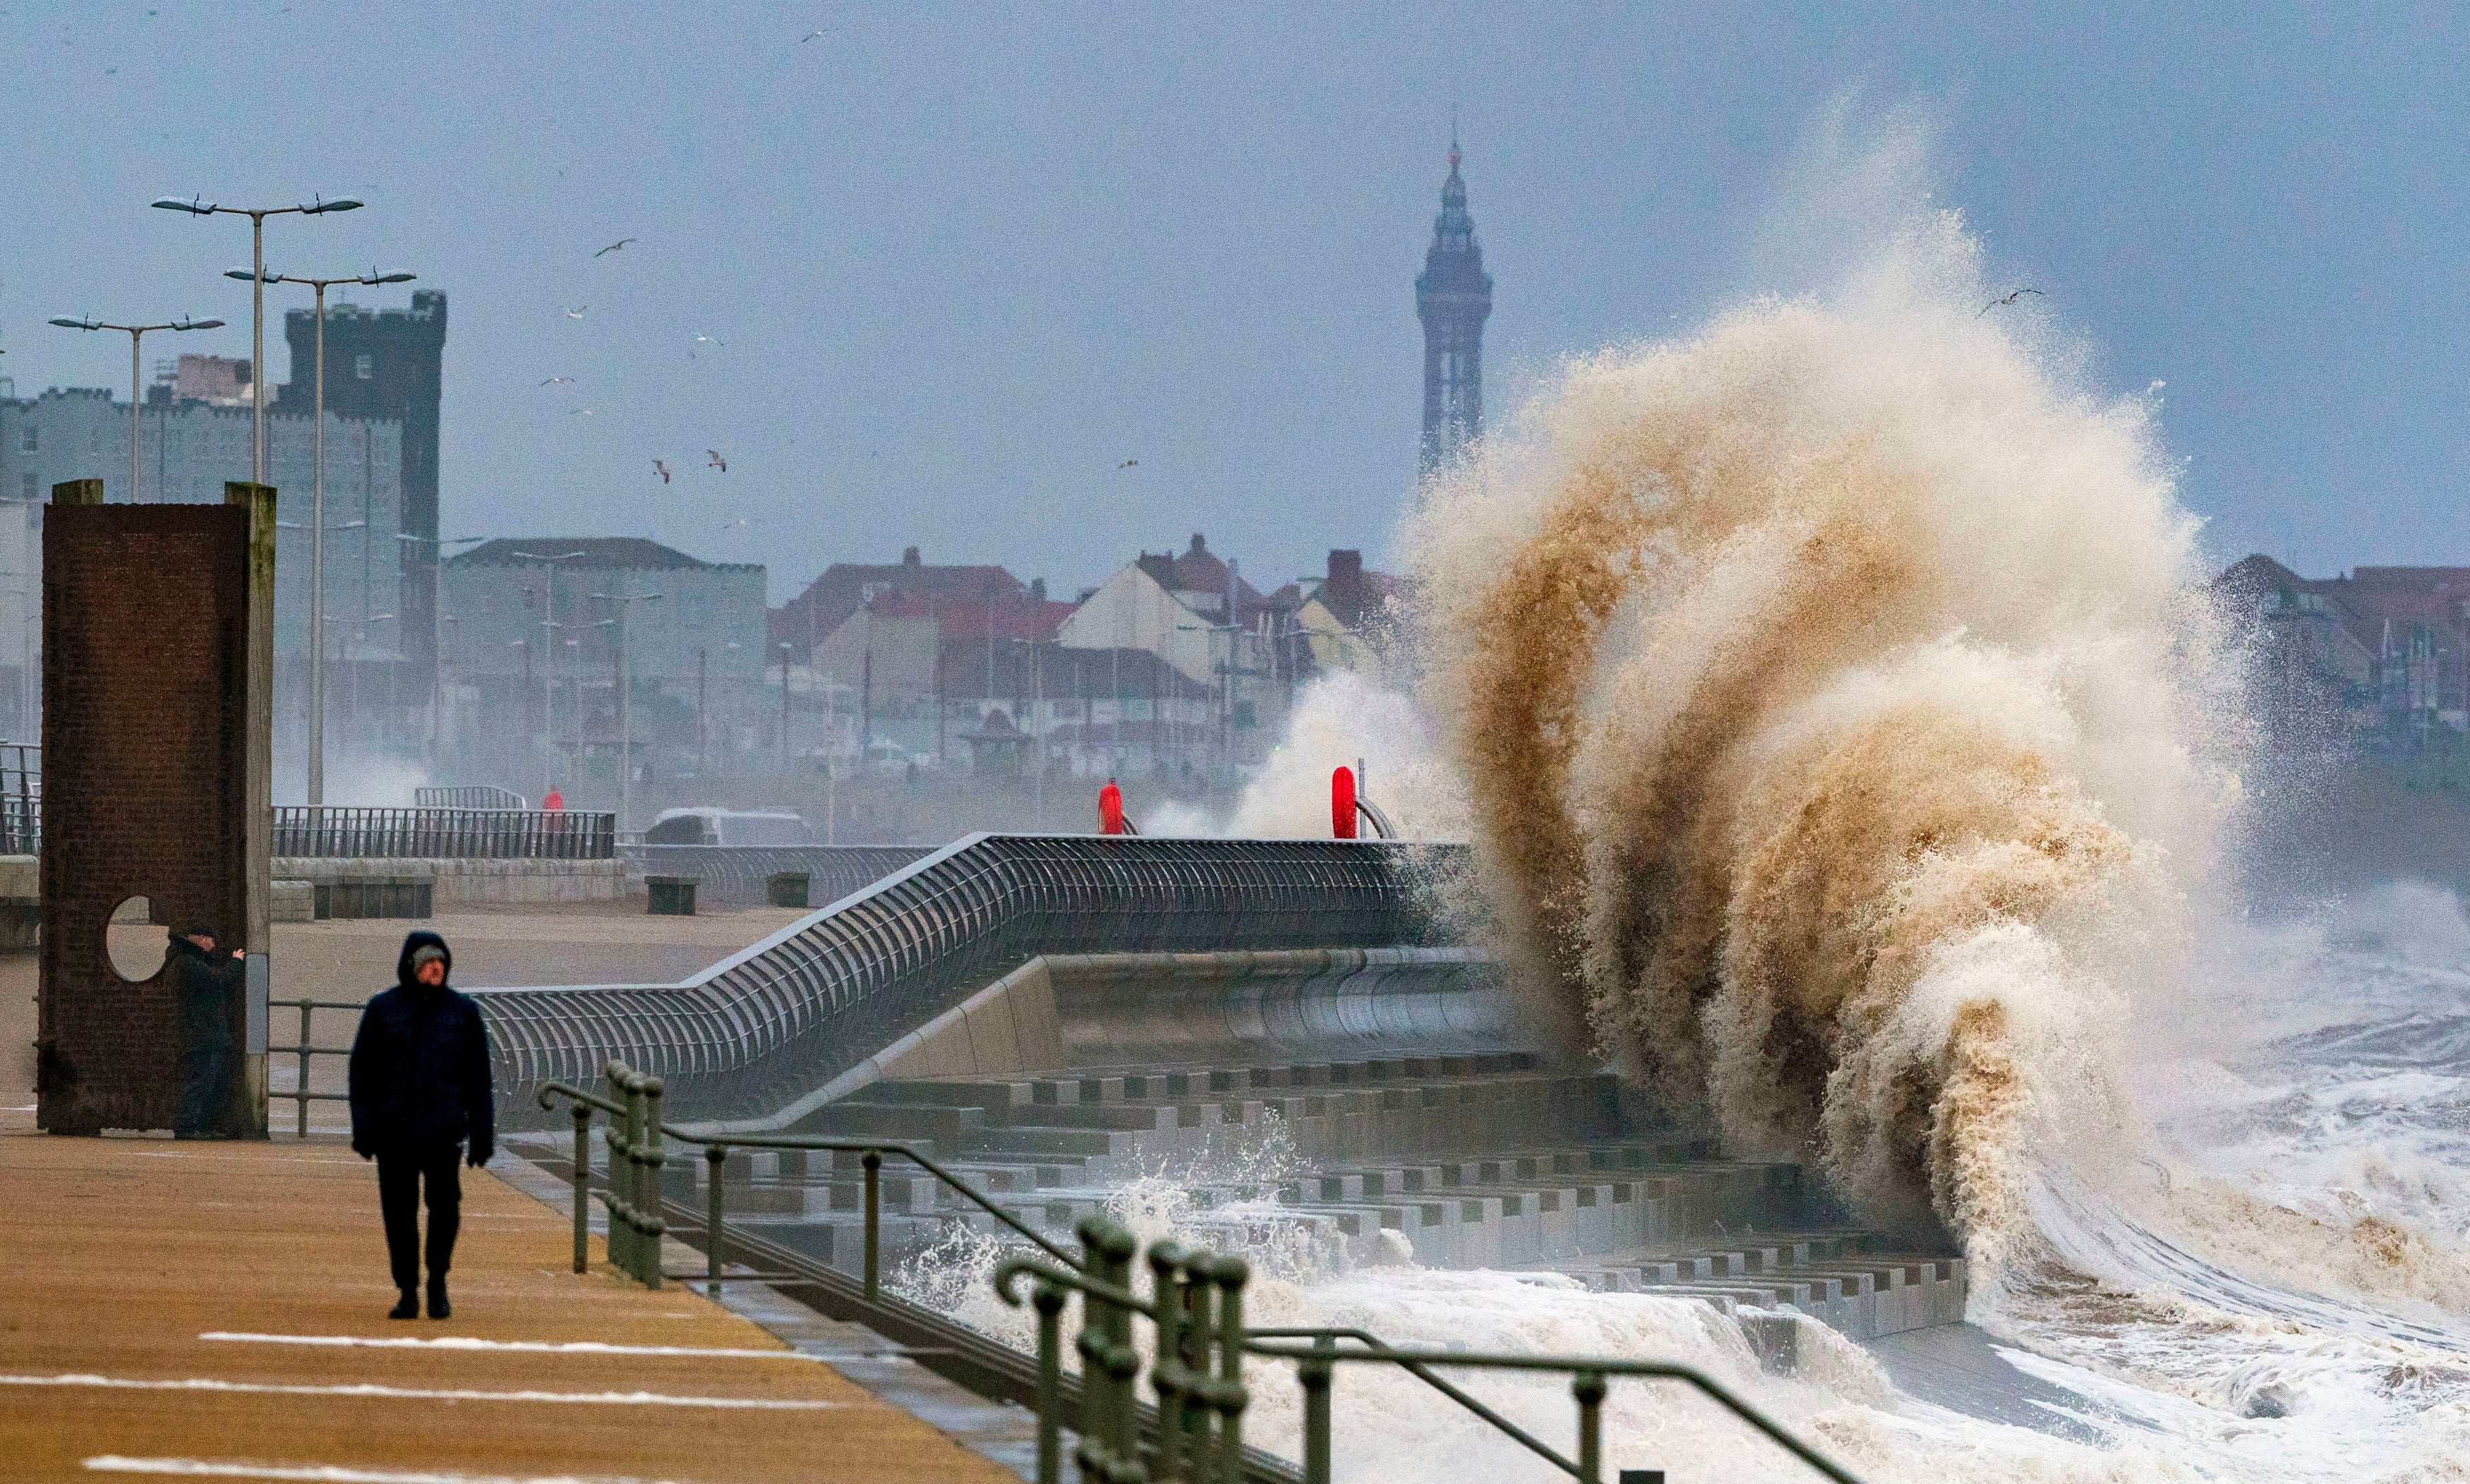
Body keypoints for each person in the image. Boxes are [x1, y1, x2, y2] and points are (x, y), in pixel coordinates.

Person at [348, 931, 495, 1320]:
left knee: (446, 1209)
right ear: (412, 967)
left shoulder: (463, 1012)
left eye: (442, 962)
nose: (437, 968)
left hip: (443, 1132)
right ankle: (408, 1290)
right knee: (399, 1213)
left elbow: (479, 1078)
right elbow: (361, 1072)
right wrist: (363, 1128)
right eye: (430, 962)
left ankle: (438, 1282)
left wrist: (483, 1135)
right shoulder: (383, 1009)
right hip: (393, 1133)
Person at [169, 922, 246, 1139]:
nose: (213, 946)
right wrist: (236, 962)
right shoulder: (188, 963)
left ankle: (195, 1124)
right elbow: (217, 979)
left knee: (205, 1078)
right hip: (203, 1034)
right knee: (202, 1079)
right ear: (202, 939)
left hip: (202, 1033)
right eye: (211, 941)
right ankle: (187, 1126)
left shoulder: (185, 960)